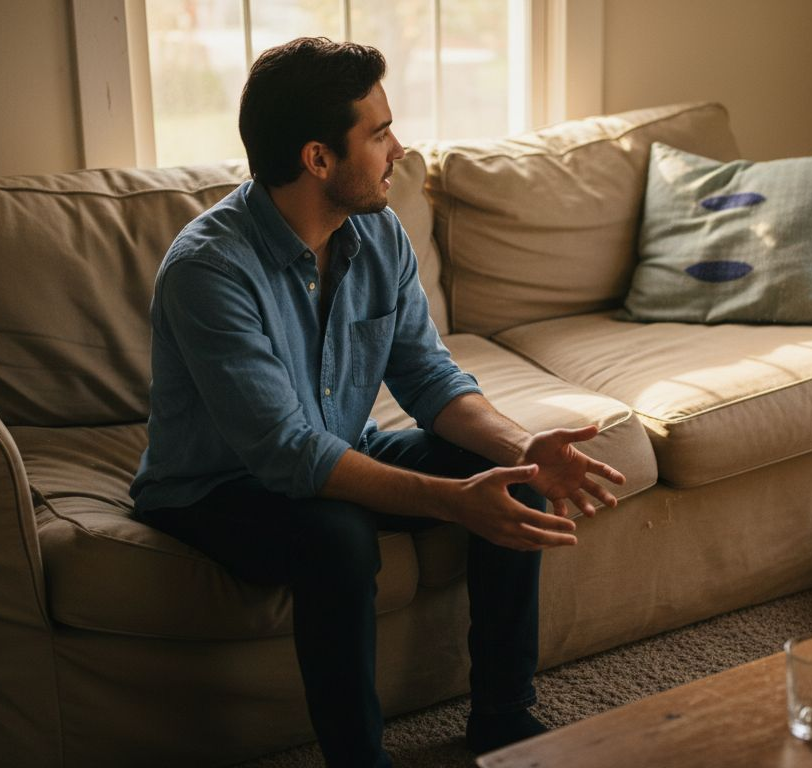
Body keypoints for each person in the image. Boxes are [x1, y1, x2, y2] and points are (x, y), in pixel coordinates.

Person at [129, 37, 626, 767]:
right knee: (337, 537)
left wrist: (521, 450)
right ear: (317, 158)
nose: (400, 148)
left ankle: (502, 714)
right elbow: (287, 454)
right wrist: (456, 502)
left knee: (515, 478)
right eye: (379, 132)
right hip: (214, 487)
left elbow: (428, 377)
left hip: (338, 445)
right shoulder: (209, 271)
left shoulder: (377, 230)